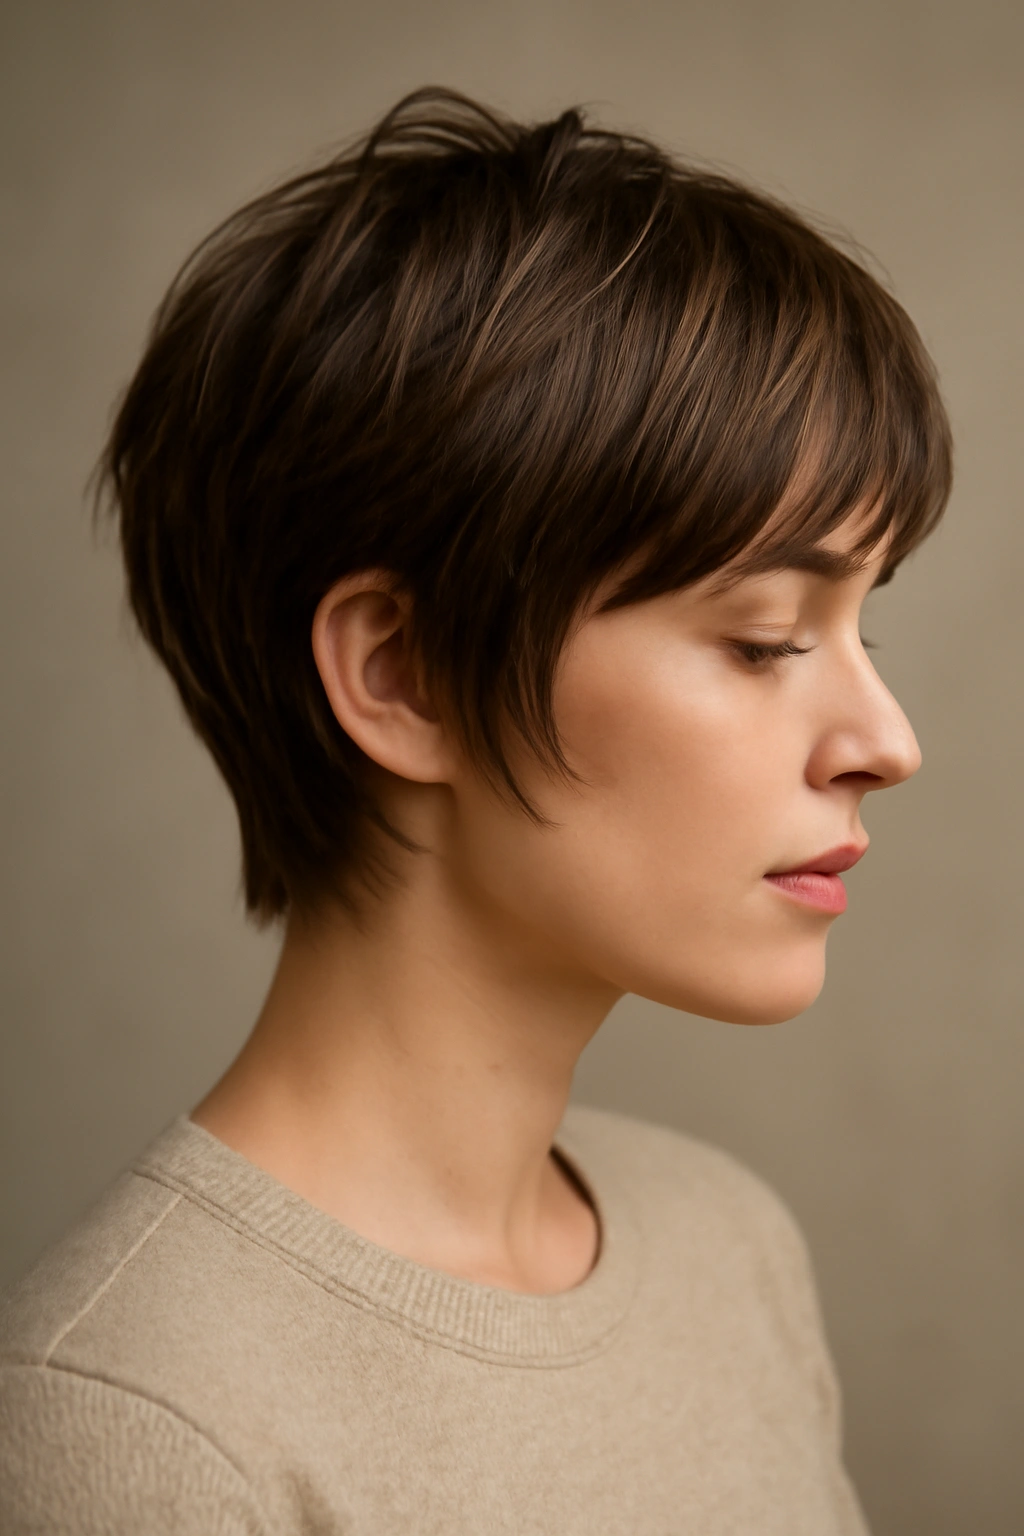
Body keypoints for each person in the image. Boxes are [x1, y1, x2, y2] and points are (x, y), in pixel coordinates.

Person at [0, 86, 951, 1534]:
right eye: (765, 638)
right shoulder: (132, 1421)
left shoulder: (728, 1246)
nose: (886, 741)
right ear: (405, 676)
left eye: (863, 631)